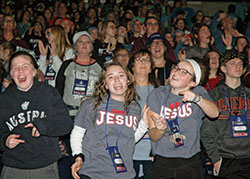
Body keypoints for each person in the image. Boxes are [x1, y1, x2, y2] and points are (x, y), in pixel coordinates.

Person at [0, 51, 73, 179]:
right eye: (15, 68)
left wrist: (43, 126)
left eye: (25, 67)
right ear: (11, 75)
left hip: (45, 166)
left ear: (34, 72)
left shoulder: (48, 93)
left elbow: (66, 124)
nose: (20, 71)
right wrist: (4, 140)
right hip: (13, 166)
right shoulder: (4, 99)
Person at [70, 62, 149, 179]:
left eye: (121, 75)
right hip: (92, 172)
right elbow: (77, 133)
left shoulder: (134, 107)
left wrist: (144, 124)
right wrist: (78, 157)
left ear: (128, 80)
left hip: (124, 173)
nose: (117, 80)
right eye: (110, 77)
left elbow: (130, 139)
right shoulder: (91, 105)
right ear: (105, 85)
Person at [146, 59, 219, 179]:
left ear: (192, 83)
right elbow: (153, 136)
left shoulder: (198, 92)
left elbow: (214, 113)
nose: (176, 72)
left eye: (184, 72)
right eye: (176, 68)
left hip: (190, 162)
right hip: (162, 162)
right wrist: (160, 129)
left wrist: (197, 99)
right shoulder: (158, 94)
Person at [56, 31, 102, 179]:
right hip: (69, 116)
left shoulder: (100, 66)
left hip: (91, 117)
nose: (84, 44)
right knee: (68, 156)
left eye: (88, 42)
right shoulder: (67, 65)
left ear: (92, 47)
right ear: (75, 46)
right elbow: (58, 91)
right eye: (81, 42)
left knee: (89, 155)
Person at [201, 49, 250, 178]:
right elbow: (206, 132)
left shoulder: (249, 94)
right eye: (232, 63)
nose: (238, 66)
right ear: (223, 68)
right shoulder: (213, 96)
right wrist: (216, 159)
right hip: (226, 158)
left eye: (240, 63)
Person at [128, 49, 160, 179]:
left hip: (152, 152)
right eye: (139, 59)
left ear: (151, 68)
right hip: (129, 151)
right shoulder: (123, 92)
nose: (143, 62)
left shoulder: (159, 92)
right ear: (132, 66)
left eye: (147, 60)